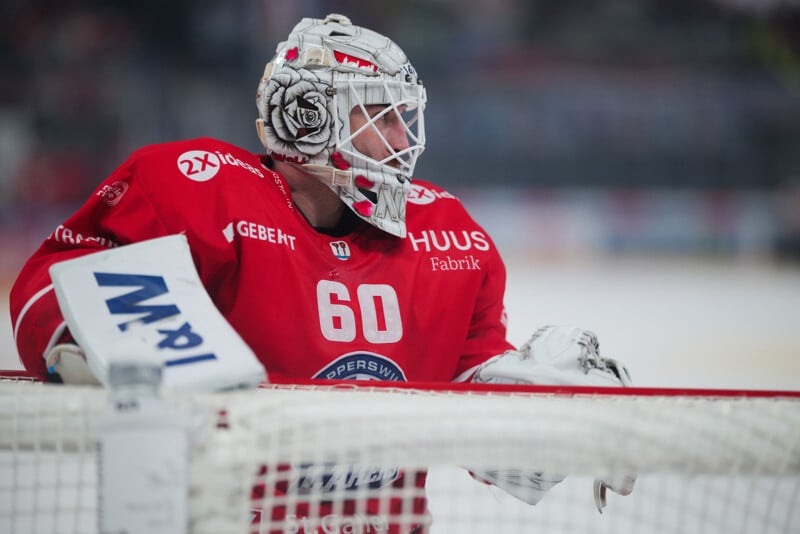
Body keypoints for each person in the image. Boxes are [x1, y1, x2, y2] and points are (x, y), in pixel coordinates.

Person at [9, 13, 633, 533]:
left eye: (401, 117)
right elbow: (53, 283)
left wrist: (542, 417)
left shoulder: (445, 233)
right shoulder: (200, 192)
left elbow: (464, 389)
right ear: (309, 118)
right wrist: (95, 344)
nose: (402, 138)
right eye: (380, 115)